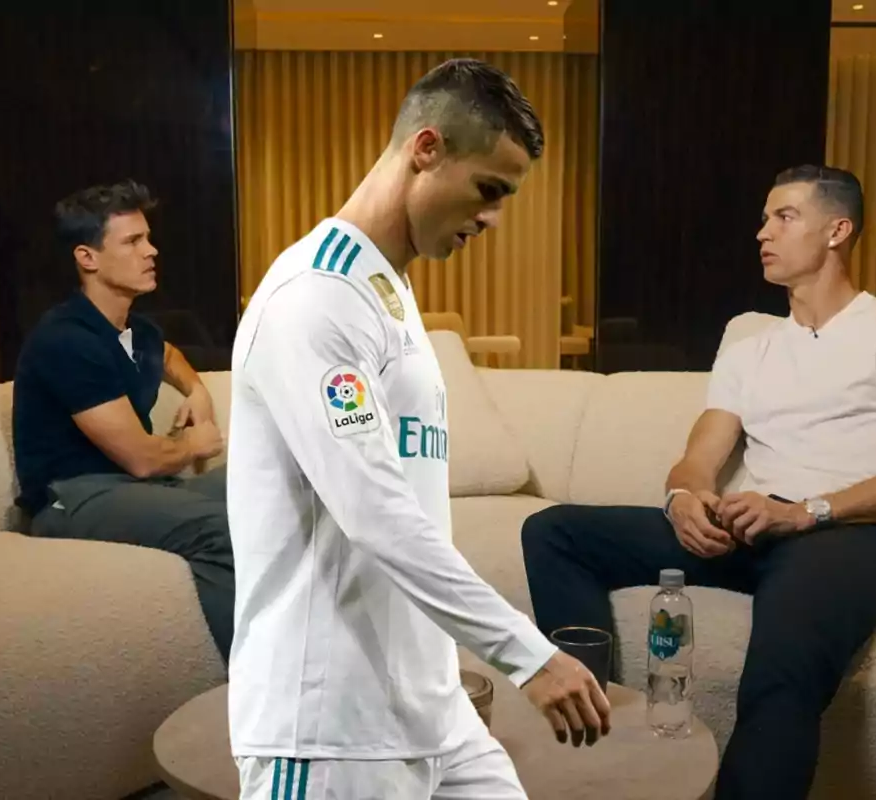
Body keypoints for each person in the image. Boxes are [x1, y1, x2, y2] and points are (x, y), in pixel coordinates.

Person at [225, 59, 611, 800]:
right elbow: (377, 514)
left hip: (430, 712)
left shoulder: (387, 292)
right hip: (328, 727)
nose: (492, 218)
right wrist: (529, 656)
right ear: (426, 149)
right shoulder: (315, 298)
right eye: (488, 190)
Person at [521, 165, 876, 800]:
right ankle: (595, 737)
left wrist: (806, 513)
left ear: (838, 230)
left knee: (780, 678)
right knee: (553, 531)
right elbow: (698, 457)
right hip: (751, 527)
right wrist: (684, 500)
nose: (762, 233)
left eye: (784, 217)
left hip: (846, 535)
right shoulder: (751, 345)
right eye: (763, 218)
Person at [12, 179, 234, 662]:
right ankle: (254, 688)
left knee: (269, 488)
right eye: (133, 242)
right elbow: (142, 458)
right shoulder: (66, 339)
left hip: (127, 491)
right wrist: (197, 443)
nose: (151, 251)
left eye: (148, 238)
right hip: (70, 498)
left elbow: (169, 355)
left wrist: (196, 391)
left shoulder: (135, 331)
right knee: (222, 527)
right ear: (87, 258)